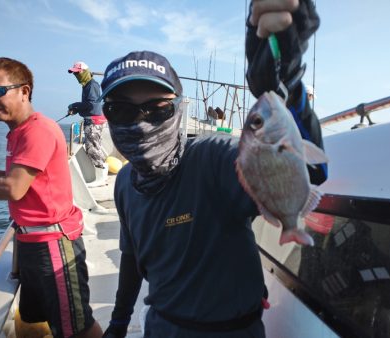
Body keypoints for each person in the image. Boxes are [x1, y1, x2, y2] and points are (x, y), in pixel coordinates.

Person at [102, 1, 327, 337]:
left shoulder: (213, 159)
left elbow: (309, 174)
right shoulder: (124, 182)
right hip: (161, 327)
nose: (141, 123)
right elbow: (133, 260)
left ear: (178, 111)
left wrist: (287, 84)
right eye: (121, 111)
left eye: (157, 109)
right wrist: (118, 323)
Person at [0, 57, 102, 338]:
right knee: (34, 318)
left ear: (24, 91)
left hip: (53, 246)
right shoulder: (18, 132)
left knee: (77, 328)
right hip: (32, 243)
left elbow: (13, 188)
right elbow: (22, 180)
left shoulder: (37, 130)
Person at [68, 61, 108, 187]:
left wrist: (75, 105)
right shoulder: (87, 86)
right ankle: (102, 174)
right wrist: (77, 109)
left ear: (84, 72)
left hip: (94, 121)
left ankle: (101, 177)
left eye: (78, 73)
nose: (76, 76)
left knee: (92, 149)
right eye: (75, 74)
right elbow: (90, 105)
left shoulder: (91, 85)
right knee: (94, 147)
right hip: (93, 120)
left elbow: (92, 105)